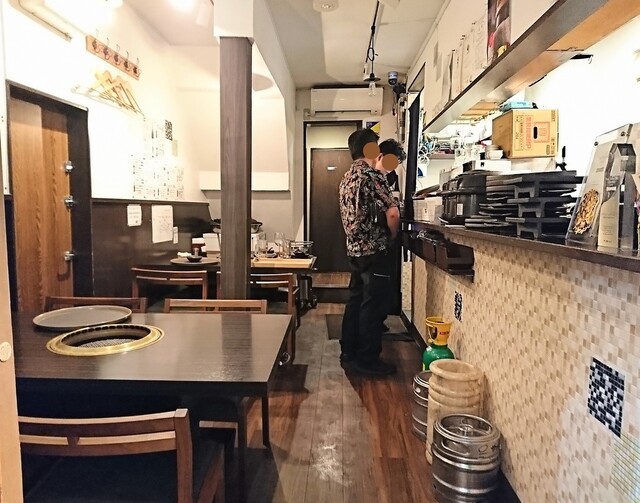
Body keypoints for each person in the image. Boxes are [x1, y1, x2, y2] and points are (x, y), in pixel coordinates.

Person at [338, 129, 400, 376]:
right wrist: (392, 237)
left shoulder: (346, 178)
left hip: (354, 250)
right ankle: (367, 359)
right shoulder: (371, 175)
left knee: (355, 301)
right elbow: (392, 213)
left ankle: (348, 351)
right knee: (372, 306)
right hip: (374, 250)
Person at [375, 138, 406, 334]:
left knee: (365, 293)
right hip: (379, 242)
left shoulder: (384, 177)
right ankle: (373, 328)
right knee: (376, 290)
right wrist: (393, 236)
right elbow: (393, 214)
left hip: (363, 246)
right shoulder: (377, 179)